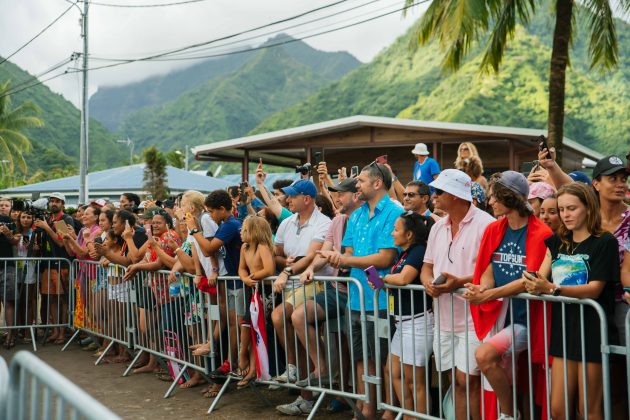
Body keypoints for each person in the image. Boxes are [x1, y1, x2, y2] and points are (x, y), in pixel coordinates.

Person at [523, 182, 620, 420]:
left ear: (588, 208)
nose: (565, 215)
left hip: (593, 332)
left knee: (589, 409)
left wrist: (552, 289)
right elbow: (540, 276)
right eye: (562, 209)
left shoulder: (605, 242)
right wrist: (531, 281)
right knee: (558, 409)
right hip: (563, 330)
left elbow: (595, 289)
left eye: (572, 208)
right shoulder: (556, 241)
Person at [463, 171, 552, 420]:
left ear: (509, 198)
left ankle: (509, 413)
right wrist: (484, 288)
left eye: (494, 197)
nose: (490, 202)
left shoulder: (541, 233)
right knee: (508, 372)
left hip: (527, 320)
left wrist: (489, 294)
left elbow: (529, 280)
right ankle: (511, 412)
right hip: (501, 316)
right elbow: (489, 266)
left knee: (484, 356)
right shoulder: (495, 228)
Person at [318, 162, 403, 419]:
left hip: (381, 298)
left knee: (385, 359)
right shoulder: (355, 216)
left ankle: (387, 410)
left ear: (377, 183)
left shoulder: (394, 211)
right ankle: (366, 409)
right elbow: (350, 252)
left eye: (362, 180)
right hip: (355, 298)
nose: (358, 185)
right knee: (360, 357)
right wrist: (338, 258)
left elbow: (386, 258)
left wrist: (343, 260)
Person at [419, 169, 495, 420]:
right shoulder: (437, 227)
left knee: (467, 380)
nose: (434, 195)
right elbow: (427, 267)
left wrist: (457, 283)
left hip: (475, 318)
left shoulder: (487, 224)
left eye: (439, 191)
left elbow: (490, 272)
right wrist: (429, 283)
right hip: (444, 317)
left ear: (455, 195)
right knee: (454, 379)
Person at [286, 178, 362, 412]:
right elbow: (324, 251)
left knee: (356, 350)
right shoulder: (337, 220)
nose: (335, 198)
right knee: (299, 317)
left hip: (360, 292)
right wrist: (310, 268)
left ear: (355, 196)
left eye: (340, 194)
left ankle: (358, 402)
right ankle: (323, 370)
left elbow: (345, 255)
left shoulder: (362, 219)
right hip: (336, 290)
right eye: (334, 194)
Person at [271, 179, 331, 398]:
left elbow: (311, 256)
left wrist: (287, 270)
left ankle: (296, 368)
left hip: (313, 284)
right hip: (291, 285)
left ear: (306, 199)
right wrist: (285, 264)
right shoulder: (287, 223)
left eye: (292, 196)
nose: (288, 199)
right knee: (295, 337)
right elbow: (277, 254)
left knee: (279, 317)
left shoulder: (323, 222)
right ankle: (303, 394)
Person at [378, 212, 435, 417]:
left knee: (415, 381)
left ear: (409, 234)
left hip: (418, 323)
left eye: (396, 229)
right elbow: (398, 284)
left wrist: (385, 279)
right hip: (402, 323)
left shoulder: (418, 251)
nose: (392, 233)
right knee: (395, 374)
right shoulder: (404, 253)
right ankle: (409, 415)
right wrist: (381, 282)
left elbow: (404, 279)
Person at [190, 190, 243, 378]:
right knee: (233, 322)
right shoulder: (226, 223)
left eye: (212, 212)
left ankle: (233, 362)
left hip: (239, 280)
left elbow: (208, 250)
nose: (210, 216)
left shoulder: (231, 225)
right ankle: (230, 361)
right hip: (233, 278)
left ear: (222, 209)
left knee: (237, 323)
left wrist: (194, 231)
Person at [230, 215, 275, 388]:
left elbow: (269, 269)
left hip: (265, 291)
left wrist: (252, 277)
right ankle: (246, 361)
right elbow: (241, 268)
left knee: (253, 326)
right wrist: (245, 278)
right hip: (252, 288)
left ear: (254, 231)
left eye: (245, 229)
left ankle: (249, 364)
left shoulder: (263, 247)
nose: (241, 232)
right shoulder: (244, 248)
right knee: (247, 324)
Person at [33, 192, 75, 344]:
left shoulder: (65, 218)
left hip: (62, 264)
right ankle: (55, 330)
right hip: (48, 264)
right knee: (50, 299)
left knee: (62, 299)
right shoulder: (48, 218)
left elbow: (62, 242)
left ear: (63, 204)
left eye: (57, 201)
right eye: (52, 201)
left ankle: (62, 332)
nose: (54, 203)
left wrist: (46, 227)